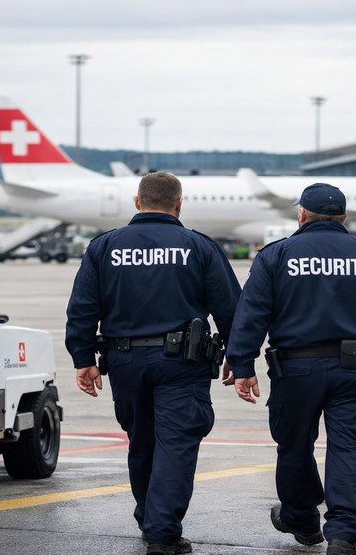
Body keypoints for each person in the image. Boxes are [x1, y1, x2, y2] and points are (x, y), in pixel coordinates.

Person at [224, 183, 356, 555]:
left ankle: (300, 519)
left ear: (301, 214)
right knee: (350, 448)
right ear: (344, 217)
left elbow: (252, 315)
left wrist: (242, 363)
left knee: (294, 445)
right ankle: (343, 534)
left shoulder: (276, 255)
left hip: (296, 369)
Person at [64, 171, 241, 555]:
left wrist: (83, 358)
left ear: (137, 202)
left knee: (141, 442)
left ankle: (151, 520)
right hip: (182, 364)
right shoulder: (199, 247)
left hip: (124, 362)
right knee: (175, 444)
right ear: (179, 204)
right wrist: (239, 359)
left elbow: (82, 309)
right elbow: (230, 309)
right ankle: (161, 531)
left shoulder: (104, 246)